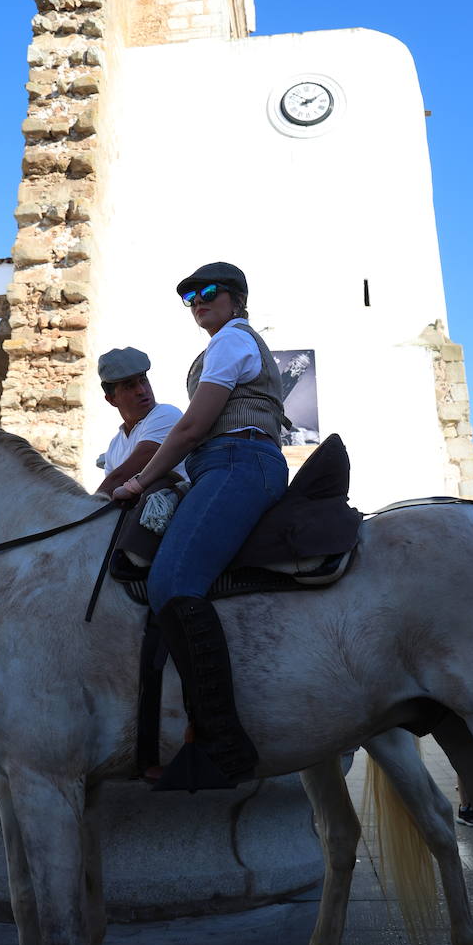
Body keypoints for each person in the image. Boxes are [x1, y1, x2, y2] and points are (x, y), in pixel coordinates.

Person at [113, 261, 289, 790]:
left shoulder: (232, 340)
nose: (198, 301)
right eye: (189, 296)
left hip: (239, 461)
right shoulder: (219, 346)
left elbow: (191, 428)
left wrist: (140, 481)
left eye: (209, 291)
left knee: (171, 581)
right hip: (221, 464)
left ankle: (221, 742)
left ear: (237, 298)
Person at [95, 347, 183, 498]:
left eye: (143, 380)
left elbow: (122, 476)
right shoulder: (114, 446)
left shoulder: (166, 414)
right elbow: (110, 495)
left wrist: (86, 507)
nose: (141, 391)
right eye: (129, 386)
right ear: (111, 399)